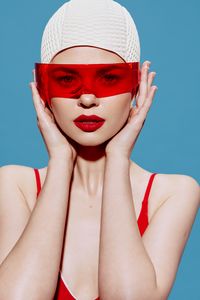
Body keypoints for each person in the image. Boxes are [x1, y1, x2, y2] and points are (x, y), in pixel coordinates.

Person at [0, 0, 199, 299]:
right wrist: (60, 161)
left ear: (136, 87)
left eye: (109, 78)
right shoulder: (16, 186)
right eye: (66, 79)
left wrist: (118, 157)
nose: (88, 98)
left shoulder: (172, 193)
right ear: (43, 90)